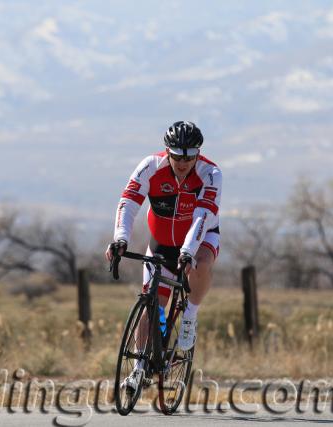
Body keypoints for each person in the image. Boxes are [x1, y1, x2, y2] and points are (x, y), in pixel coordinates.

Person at [105, 120, 222, 393]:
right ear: (166, 151)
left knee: (202, 265)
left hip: (201, 237)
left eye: (190, 156)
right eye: (177, 156)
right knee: (151, 303)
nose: (183, 162)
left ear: (198, 153)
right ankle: (138, 370)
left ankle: (190, 315)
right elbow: (129, 202)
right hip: (161, 243)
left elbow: (203, 215)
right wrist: (120, 238)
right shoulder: (150, 166)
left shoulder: (211, 173)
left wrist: (188, 251)